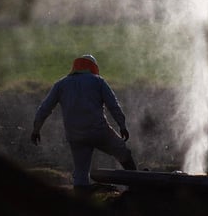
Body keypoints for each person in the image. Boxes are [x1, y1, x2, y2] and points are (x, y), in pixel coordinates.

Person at [31, 54, 137, 196]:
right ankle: (136, 187)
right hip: (99, 131)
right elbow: (113, 105)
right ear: (93, 68)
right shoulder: (98, 81)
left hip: (75, 136)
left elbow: (44, 108)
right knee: (123, 153)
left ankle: (81, 200)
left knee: (81, 173)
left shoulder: (61, 84)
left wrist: (36, 129)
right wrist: (122, 125)